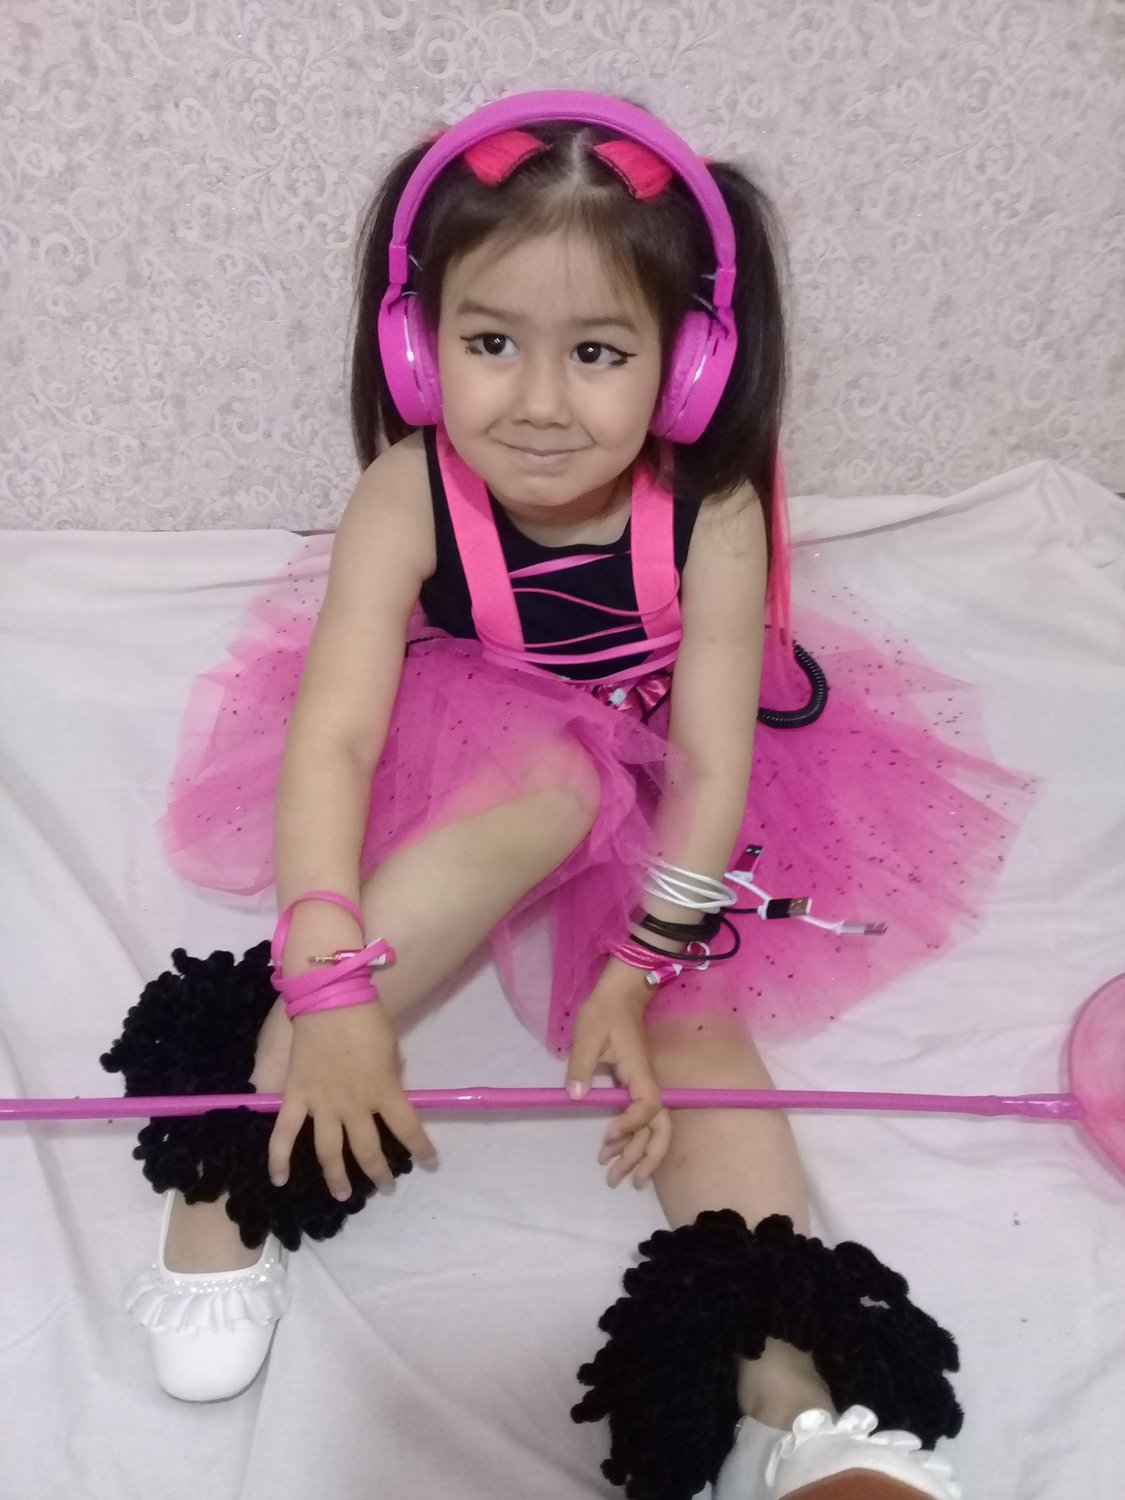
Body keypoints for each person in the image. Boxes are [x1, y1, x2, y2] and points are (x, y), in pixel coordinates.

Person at [103, 91, 1027, 1499]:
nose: (537, 402)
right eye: (490, 344)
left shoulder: (709, 510)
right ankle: (257, 1120)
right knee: (543, 784)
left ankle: (792, 1392)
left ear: (690, 367)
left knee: (696, 1021)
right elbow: (333, 743)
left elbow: (711, 762)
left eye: (596, 352)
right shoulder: (409, 494)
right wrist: (334, 981)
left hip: (672, 791)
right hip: (476, 744)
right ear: (416, 347)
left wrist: (637, 966)